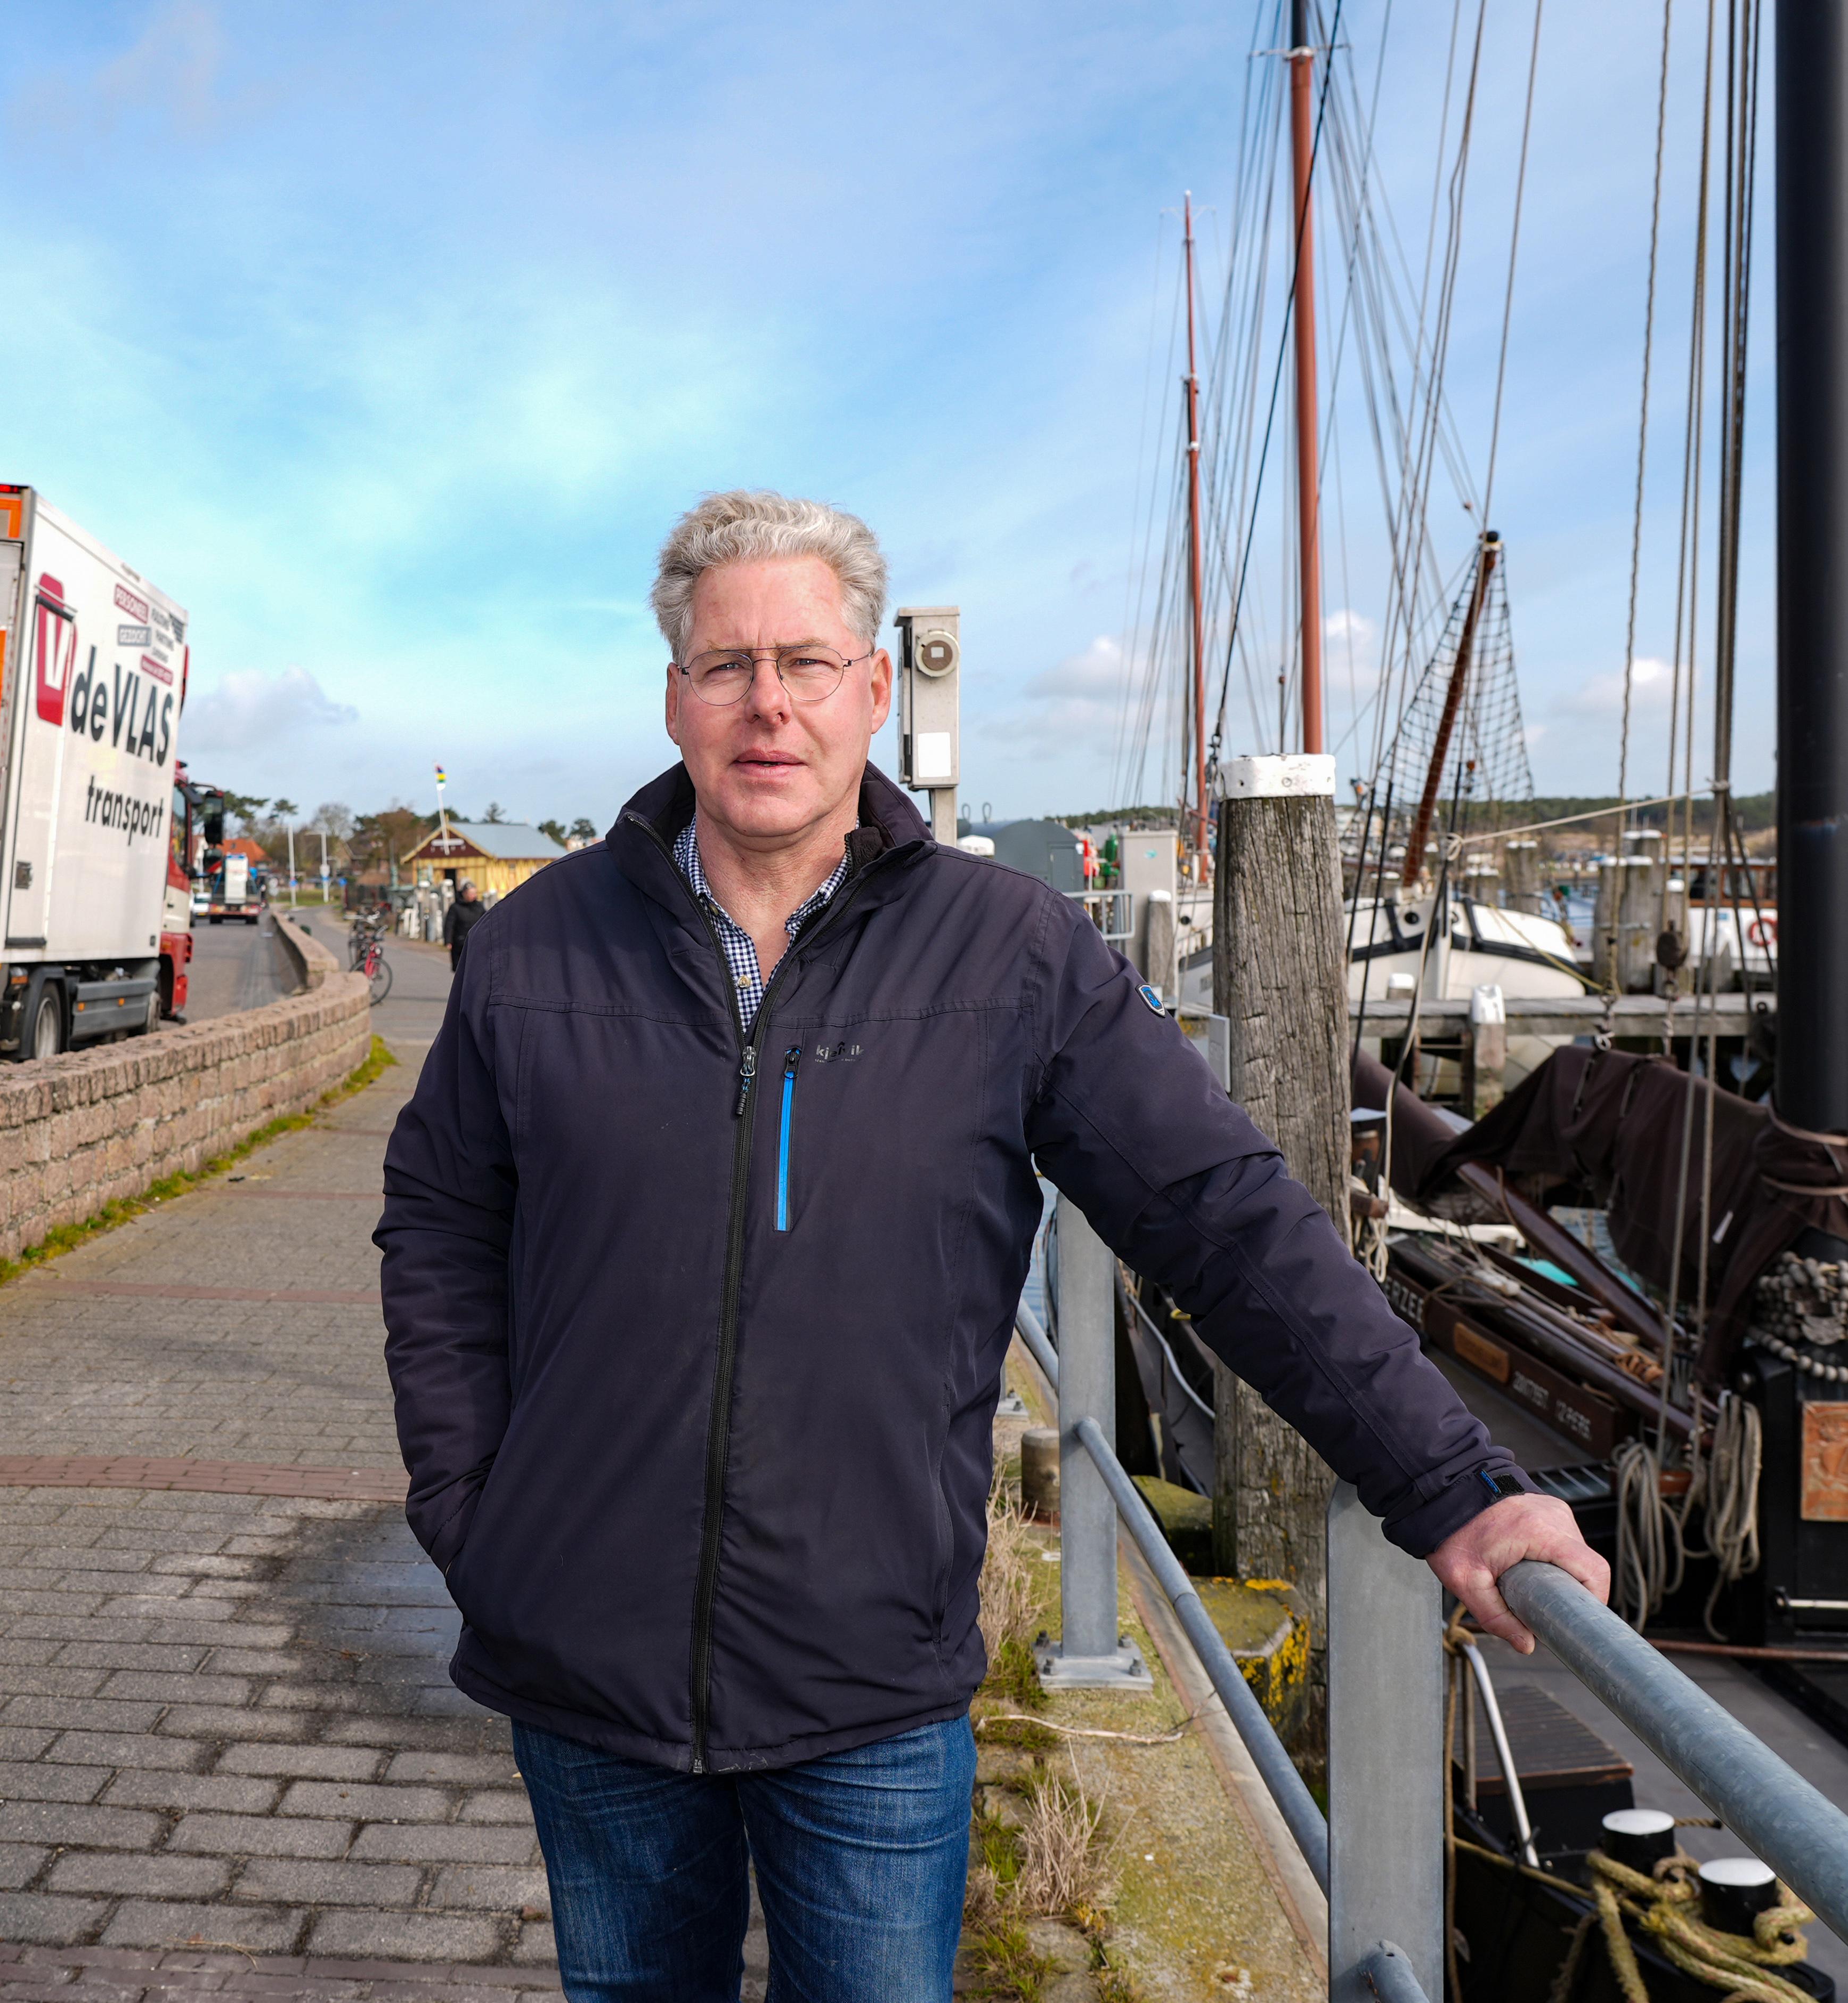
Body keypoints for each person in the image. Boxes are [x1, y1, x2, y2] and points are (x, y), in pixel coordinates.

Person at [376, 490, 1607, 2003]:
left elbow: (1223, 1217)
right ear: (673, 693)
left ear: (869, 690)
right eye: (724, 664)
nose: (766, 702)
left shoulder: (1009, 951)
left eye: (804, 663)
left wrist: (1451, 1484)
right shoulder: (534, 945)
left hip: (869, 1680)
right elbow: (439, 1220)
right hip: (584, 1657)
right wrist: (471, 1507)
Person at [443, 879, 484, 972]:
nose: (473, 896)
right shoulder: (455, 907)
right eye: (471, 893)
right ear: (464, 894)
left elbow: (485, 921)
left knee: (475, 970)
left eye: (475, 893)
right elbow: (450, 924)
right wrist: (448, 941)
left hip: (476, 943)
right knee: (460, 970)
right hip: (460, 943)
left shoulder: (479, 907)